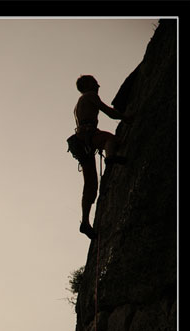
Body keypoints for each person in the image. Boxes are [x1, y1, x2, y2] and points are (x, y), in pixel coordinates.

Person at [74, 75, 133, 239]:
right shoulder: (90, 96)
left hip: (80, 141)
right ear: (87, 85)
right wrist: (126, 117)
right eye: (94, 82)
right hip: (89, 134)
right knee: (111, 140)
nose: (98, 85)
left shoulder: (78, 104)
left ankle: (85, 221)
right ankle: (110, 156)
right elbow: (109, 112)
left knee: (91, 184)